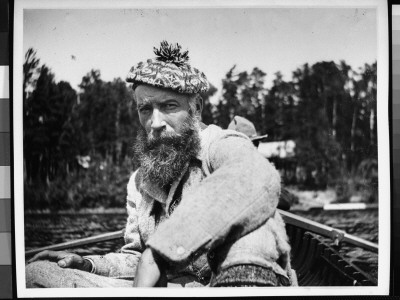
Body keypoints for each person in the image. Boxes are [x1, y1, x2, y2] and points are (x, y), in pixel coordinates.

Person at [26, 41, 296, 288]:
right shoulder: (140, 181)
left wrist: (164, 248)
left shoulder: (220, 144)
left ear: (196, 108)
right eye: (145, 109)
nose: (155, 123)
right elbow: (136, 260)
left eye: (169, 106)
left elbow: (256, 176)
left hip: (229, 284)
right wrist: (89, 264)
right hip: (167, 290)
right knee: (38, 272)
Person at [227, 116, 298, 211]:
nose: (255, 148)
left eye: (257, 143)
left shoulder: (259, 169)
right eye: (251, 144)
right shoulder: (223, 170)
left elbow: (285, 201)